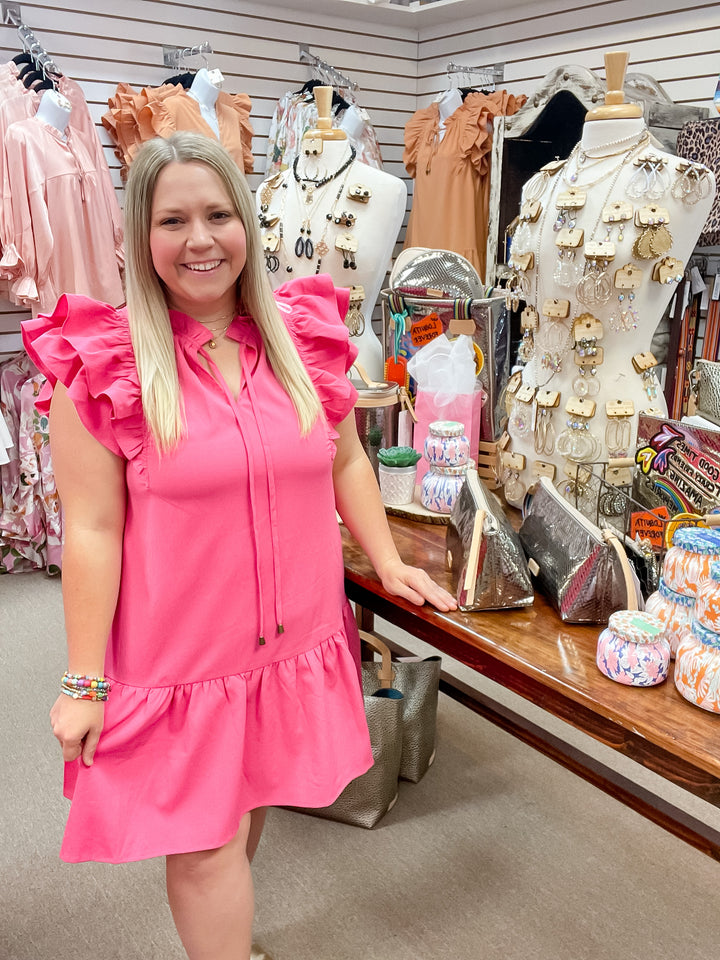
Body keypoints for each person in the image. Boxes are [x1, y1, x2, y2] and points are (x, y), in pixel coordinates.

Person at [22, 131, 457, 960]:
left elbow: (346, 460)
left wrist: (388, 557)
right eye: (172, 219)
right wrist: (83, 681)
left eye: (218, 214)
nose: (199, 240)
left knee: (247, 802)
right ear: (139, 237)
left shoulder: (303, 337)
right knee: (205, 845)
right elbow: (91, 531)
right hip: (184, 655)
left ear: (247, 224)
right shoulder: (105, 369)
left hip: (294, 636)